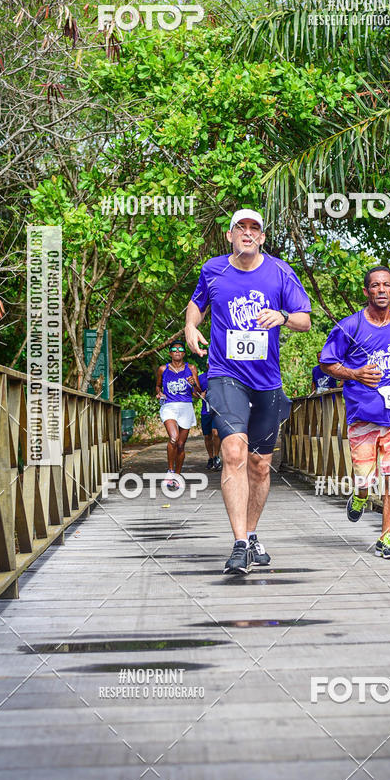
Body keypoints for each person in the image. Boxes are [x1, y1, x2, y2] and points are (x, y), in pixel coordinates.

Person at [185, 208, 312, 574]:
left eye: (254, 228)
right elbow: (196, 305)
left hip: (267, 381)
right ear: (229, 236)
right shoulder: (213, 270)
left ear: (262, 237)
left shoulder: (280, 271)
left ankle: (253, 534)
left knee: (259, 465)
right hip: (226, 374)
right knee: (234, 452)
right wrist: (191, 327)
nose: (247, 233)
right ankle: (239, 543)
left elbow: (305, 319)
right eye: (240, 227)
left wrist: (283, 317)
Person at [319, 266, 390, 559]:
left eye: (386, 285)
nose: (381, 289)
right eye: (375, 285)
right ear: (366, 292)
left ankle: (386, 538)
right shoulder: (348, 327)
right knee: (365, 478)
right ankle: (361, 493)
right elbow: (326, 363)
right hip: (362, 415)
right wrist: (355, 373)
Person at [155, 340, 201, 487]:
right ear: (170, 353)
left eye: (180, 349)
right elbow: (157, 386)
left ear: (184, 353)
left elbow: (197, 392)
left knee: (181, 445)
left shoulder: (192, 368)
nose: (177, 351)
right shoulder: (163, 369)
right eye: (174, 349)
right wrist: (160, 393)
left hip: (186, 407)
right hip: (169, 406)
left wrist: (193, 383)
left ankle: (177, 476)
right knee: (174, 438)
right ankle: (169, 471)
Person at [196, 368, 222, 470]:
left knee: (216, 433)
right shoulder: (201, 377)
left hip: (217, 410)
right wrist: (200, 395)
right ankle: (210, 458)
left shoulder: (221, 376)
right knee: (207, 436)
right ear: (206, 364)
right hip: (205, 411)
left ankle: (216, 456)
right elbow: (195, 393)